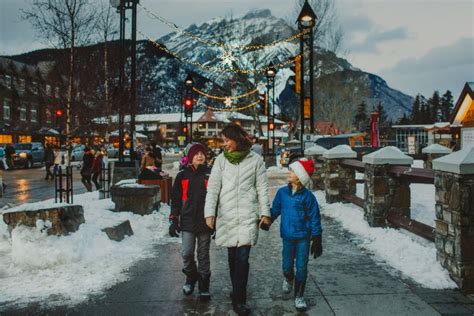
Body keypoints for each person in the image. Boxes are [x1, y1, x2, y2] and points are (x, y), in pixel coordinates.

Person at [204, 123, 272, 316]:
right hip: (227, 216)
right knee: (233, 258)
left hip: (247, 215)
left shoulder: (256, 160)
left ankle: (240, 299)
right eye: (223, 141)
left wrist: (265, 213)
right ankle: (236, 289)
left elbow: (262, 188)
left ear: (237, 139)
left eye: (227, 140)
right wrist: (210, 213)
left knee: (242, 258)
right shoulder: (220, 161)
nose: (224, 144)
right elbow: (213, 189)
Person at [270, 158, 322, 312]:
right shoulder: (282, 193)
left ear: (300, 176)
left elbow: (315, 218)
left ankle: (299, 295)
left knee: (301, 267)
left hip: (303, 238)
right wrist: (266, 220)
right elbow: (275, 210)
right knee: (287, 266)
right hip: (287, 236)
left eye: (293, 171)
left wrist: (317, 237)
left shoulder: (308, 197)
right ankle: (288, 277)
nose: (289, 172)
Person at [169, 143, 213, 301]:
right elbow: (175, 199)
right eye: (196, 153)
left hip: (205, 221)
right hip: (187, 220)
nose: (200, 155)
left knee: (203, 255)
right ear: (189, 157)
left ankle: (204, 285)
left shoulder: (210, 174)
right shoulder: (182, 176)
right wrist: (174, 218)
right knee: (187, 253)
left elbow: (216, 198)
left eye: (202, 153)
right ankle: (191, 277)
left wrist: (216, 219)